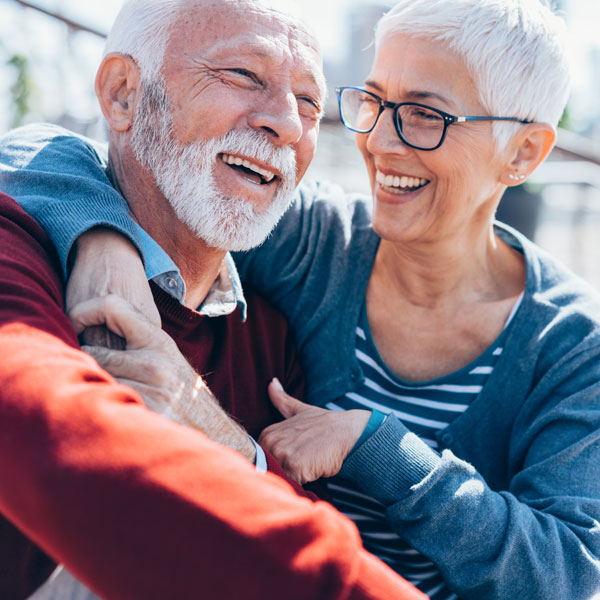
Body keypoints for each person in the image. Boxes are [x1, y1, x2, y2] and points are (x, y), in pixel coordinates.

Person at [3, 1, 600, 600]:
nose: (382, 143)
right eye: (374, 103)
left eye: (424, 115)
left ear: (523, 152)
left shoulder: (574, 349)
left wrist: (380, 447)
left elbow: (569, 577)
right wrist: (105, 235)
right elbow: (60, 154)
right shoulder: (313, 240)